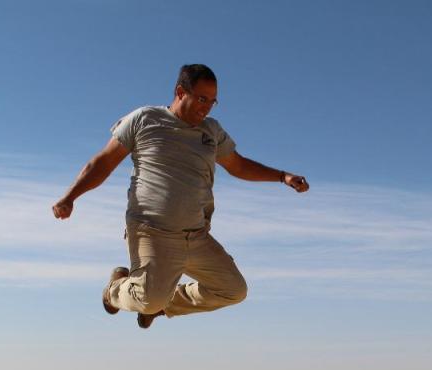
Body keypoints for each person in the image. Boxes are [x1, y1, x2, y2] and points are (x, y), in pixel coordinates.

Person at [51, 64, 309, 329]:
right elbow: (103, 162)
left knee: (234, 290)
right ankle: (115, 290)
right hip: (152, 231)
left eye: (212, 101)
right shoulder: (145, 119)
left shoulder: (212, 131)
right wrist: (70, 197)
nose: (206, 107)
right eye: (201, 98)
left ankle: (163, 302)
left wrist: (282, 176)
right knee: (149, 299)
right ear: (180, 92)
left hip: (196, 235)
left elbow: (238, 165)